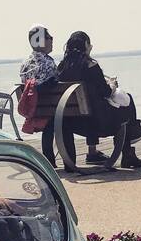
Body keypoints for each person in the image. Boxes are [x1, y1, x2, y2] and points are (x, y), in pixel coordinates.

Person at [54, 31, 141, 170]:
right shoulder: (90, 65)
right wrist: (113, 85)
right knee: (127, 101)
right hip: (100, 123)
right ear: (85, 45)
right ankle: (130, 147)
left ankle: (70, 163)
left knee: (96, 107)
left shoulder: (61, 68)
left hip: (73, 123)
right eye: (89, 45)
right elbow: (106, 92)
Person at [19, 26, 102, 167]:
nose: (52, 40)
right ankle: (70, 164)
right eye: (49, 37)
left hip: (37, 109)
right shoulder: (48, 63)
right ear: (41, 41)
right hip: (56, 111)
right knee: (65, 123)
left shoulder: (25, 64)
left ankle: (49, 162)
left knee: (51, 124)